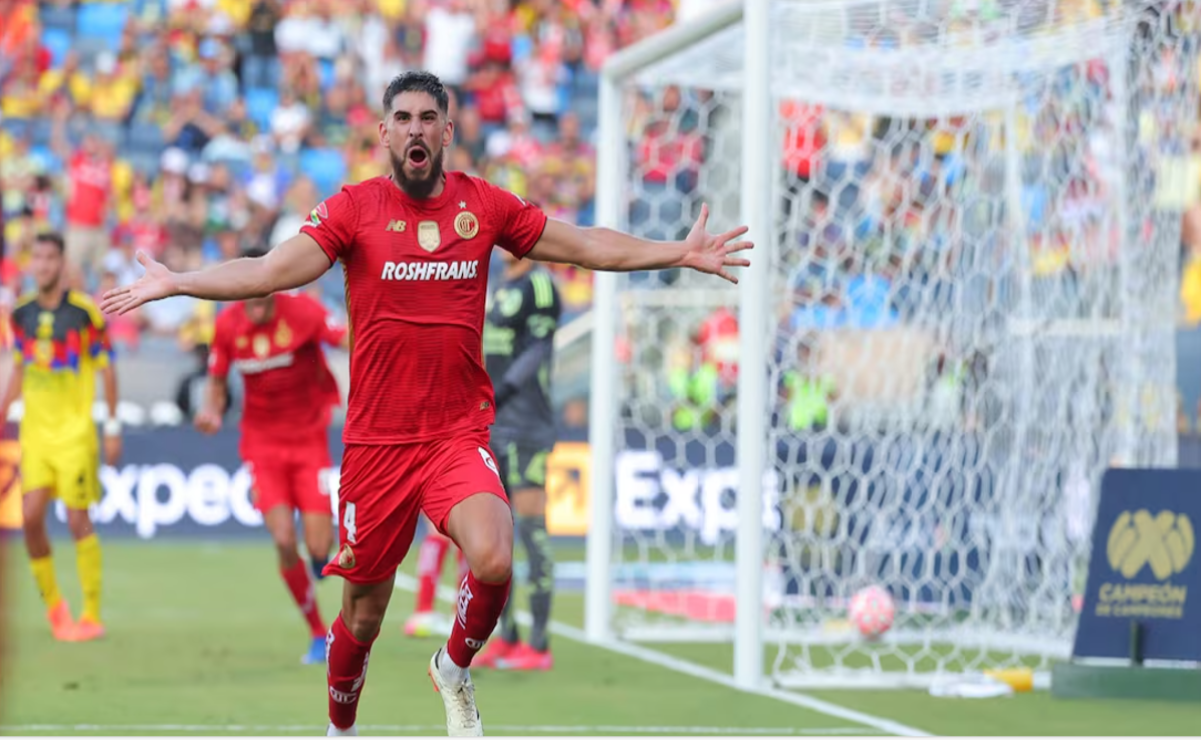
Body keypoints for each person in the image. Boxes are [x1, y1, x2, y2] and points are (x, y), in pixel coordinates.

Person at [101, 70, 752, 738]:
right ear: (385, 133)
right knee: (363, 618)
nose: (416, 128)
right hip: (376, 446)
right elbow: (267, 269)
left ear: (447, 131)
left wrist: (677, 252)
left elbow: (585, 244)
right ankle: (340, 729)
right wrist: (178, 282)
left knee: (494, 556)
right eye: (404, 118)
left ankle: (453, 667)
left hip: (454, 435)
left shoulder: (484, 207)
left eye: (428, 118)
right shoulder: (353, 210)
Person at [194, 246, 348, 665]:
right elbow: (216, 382)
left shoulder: (304, 313)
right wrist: (211, 411)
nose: (257, 300)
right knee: (282, 538)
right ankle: (317, 633)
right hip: (261, 445)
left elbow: (346, 339)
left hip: (309, 439)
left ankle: (319, 557)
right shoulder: (227, 325)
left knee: (320, 547)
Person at [3, 232, 121, 642]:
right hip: (35, 434)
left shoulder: (84, 314)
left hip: (74, 434)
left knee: (77, 520)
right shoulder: (20, 314)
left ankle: (91, 613)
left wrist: (112, 427)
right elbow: (19, 369)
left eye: (50, 258)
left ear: (62, 262)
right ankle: (56, 609)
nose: (43, 265)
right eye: (37, 258)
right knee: (31, 517)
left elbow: (107, 368)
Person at [471, 251, 562, 671]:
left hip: (527, 425)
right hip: (493, 423)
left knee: (530, 528)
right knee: (495, 535)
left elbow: (537, 351)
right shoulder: (501, 284)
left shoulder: (539, 285)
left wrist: (502, 391)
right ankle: (506, 638)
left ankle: (539, 645)